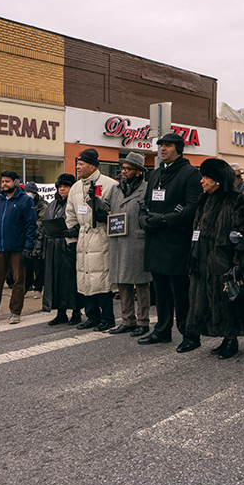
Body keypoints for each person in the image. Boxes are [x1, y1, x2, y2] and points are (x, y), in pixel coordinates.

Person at [139, 132, 203, 353]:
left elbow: (192, 208)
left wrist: (164, 220)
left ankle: (190, 334)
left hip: (177, 243)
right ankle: (162, 330)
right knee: (161, 291)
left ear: (179, 148)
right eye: (161, 145)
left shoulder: (190, 173)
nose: (162, 149)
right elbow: (145, 204)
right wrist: (143, 219)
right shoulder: (156, 173)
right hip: (156, 242)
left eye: (167, 145)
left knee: (181, 293)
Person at [186, 158, 244, 358]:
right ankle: (220, 335)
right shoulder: (203, 199)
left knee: (226, 299)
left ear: (216, 180)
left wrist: (237, 261)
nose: (202, 181)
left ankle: (231, 339)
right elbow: (196, 229)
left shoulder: (236, 199)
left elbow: (242, 232)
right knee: (206, 299)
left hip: (223, 257)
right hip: (202, 256)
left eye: (206, 177)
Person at [66, 148, 118, 332]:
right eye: (77, 164)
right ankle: (92, 316)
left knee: (101, 278)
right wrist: (71, 238)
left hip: (101, 236)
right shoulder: (75, 187)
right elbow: (70, 214)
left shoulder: (110, 184)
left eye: (81, 164)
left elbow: (116, 214)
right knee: (86, 277)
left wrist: (106, 216)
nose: (78, 167)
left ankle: (107, 317)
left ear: (92, 165)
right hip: (82, 237)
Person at [0, 170, 36, 325]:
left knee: (18, 282)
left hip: (18, 249)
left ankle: (15, 312)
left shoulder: (25, 200)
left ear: (16, 182)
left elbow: (31, 226)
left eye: (7, 181)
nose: (4, 184)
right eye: (2, 181)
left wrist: (28, 247)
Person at [106, 152, 152, 337]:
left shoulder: (146, 189)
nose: (123, 171)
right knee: (122, 282)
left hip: (137, 240)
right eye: (122, 168)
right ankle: (127, 320)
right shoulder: (116, 189)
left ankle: (143, 321)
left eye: (127, 169)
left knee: (141, 283)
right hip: (118, 239)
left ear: (138, 172)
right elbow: (106, 208)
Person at [43, 173, 83, 326]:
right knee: (56, 281)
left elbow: (82, 223)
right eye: (60, 186)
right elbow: (44, 225)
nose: (62, 189)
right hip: (53, 248)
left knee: (71, 281)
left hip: (69, 247)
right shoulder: (53, 204)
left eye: (65, 186)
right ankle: (61, 312)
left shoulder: (76, 203)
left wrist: (72, 231)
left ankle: (76, 311)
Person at [23, 181, 47, 298]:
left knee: (38, 266)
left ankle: (38, 287)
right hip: (27, 240)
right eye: (25, 192)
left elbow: (41, 223)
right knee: (27, 266)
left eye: (29, 193)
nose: (27, 194)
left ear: (35, 194)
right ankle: (26, 287)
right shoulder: (24, 204)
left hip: (38, 240)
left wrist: (31, 231)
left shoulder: (43, 206)